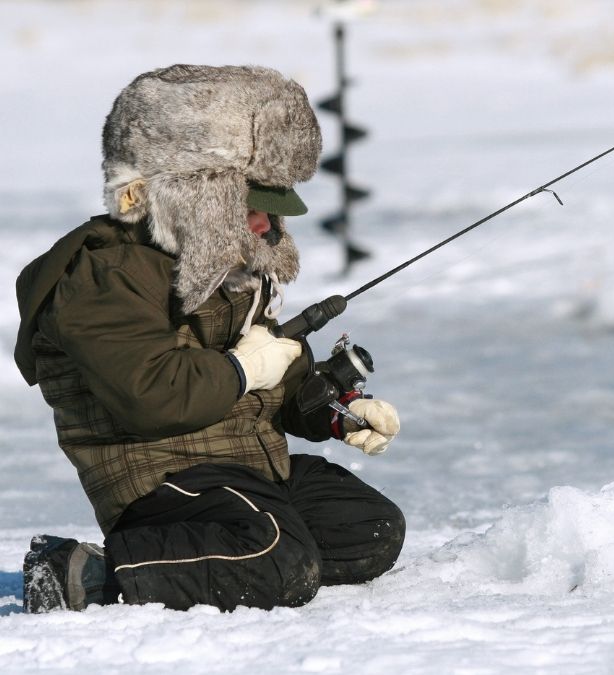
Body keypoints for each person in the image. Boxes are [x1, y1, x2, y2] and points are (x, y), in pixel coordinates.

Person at [13, 64, 405, 612]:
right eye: (252, 210)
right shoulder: (106, 277)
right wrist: (244, 370)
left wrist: (336, 411)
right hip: (160, 478)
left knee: (368, 529)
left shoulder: (234, 269)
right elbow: (151, 397)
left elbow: (281, 383)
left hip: (246, 465)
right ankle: (86, 574)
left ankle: (233, 555)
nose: (267, 226)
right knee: (279, 559)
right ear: (194, 202)